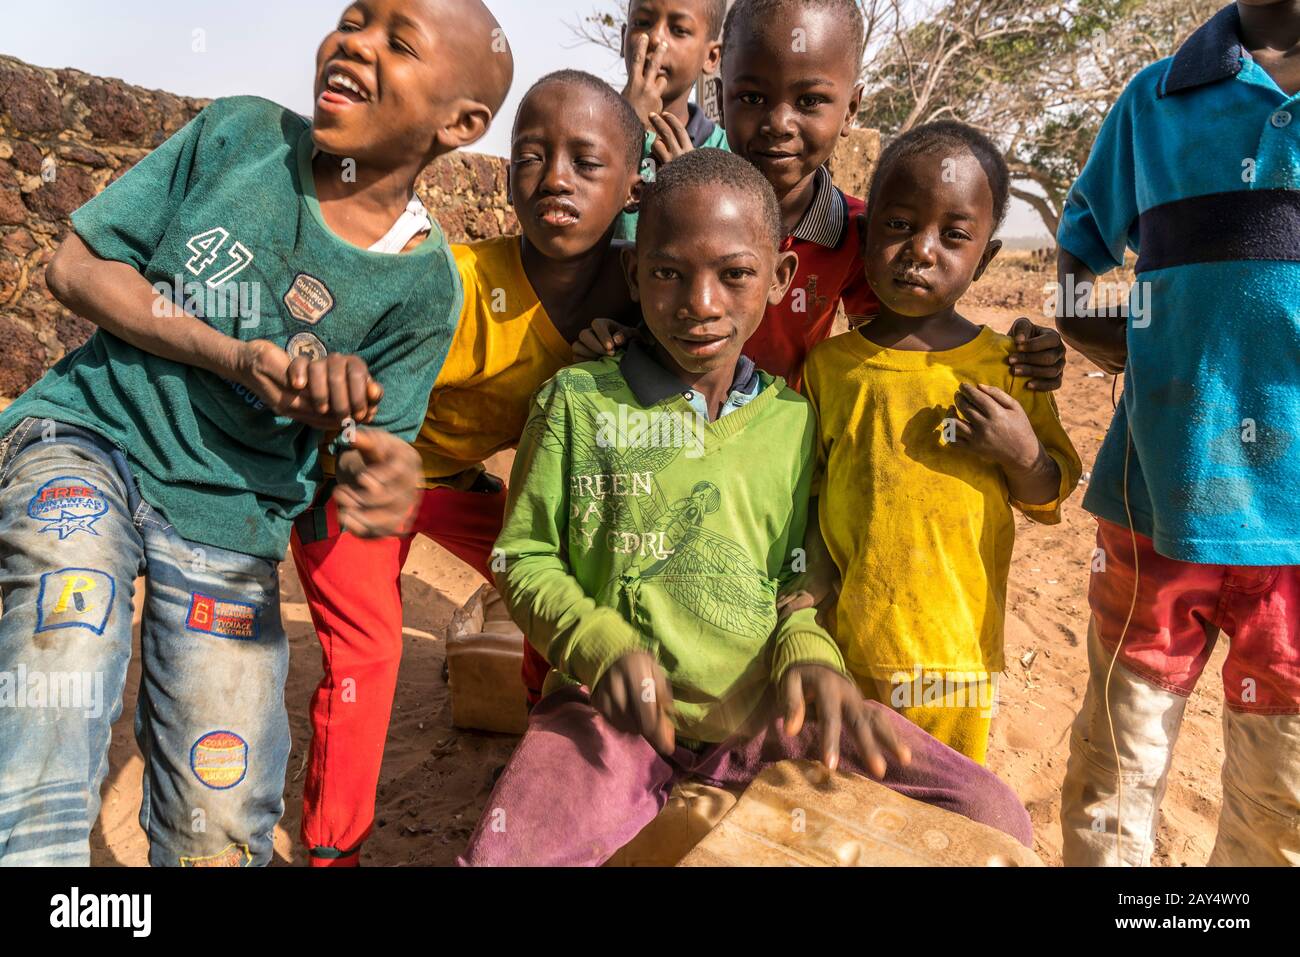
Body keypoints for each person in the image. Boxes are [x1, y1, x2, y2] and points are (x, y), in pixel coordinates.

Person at [0, 0, 512, 867]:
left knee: (221, 806)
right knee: (65, 627)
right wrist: (235, 356)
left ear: (459, 124)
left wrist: (373, 466)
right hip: (90, 434)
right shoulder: (240, 135)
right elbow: (76, 265)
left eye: (398, 40)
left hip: (231, 518)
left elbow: (373, 458)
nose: (354, 40)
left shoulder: (427, 291)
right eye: (354, 17)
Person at [459, 149, 1033, 866]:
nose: (702, 303)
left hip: (765, 715)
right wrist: (601, 644)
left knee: (990, 814)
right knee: (506, 857)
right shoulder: (578, 403)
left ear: (779, 279)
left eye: (735, 275)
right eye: (669, 273)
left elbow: (803, 572)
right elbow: (523, 557)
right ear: (634, 275)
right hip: (609, 715)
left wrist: (810, 655)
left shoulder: (791, 420)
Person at [289, 70, 645, 866]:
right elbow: (348, 389)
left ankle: (538, 721)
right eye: (530, 155)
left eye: (586, 163)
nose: (554, 177)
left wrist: (629, 354)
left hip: (451, 487)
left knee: (565, 588)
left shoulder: (642, 290)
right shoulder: (453, 282)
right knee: (367, 658)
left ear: (632, 185)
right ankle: (332, 851)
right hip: (360, 479)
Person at [1055, 0, 1300, 866]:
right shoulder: (1155, 99)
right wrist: (1156, 353)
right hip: (1154, 502)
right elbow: (1077, 266)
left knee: (1282, 807)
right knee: (1113, 776)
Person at [583, 0, 1068, 396]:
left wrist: (1015, 351)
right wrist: (683, 204)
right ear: (719, 100)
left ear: (851, 108)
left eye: (810, 101)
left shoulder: (863, 234)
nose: (778, 123)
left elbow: (906, 335)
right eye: (751, 98)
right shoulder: (666, 195)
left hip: (786, 455)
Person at [802, 121, 1082, 765]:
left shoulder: (1008, 365)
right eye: (899, 225)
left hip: (955, 657)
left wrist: (1021, 454)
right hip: (848, 645)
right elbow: (810, 500)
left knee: (946, 813)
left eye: (954, 236)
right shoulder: (831, 368)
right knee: (849, 807)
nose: (922, 250)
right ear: (867, 235)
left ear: (984, 258)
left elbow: (1048, 494)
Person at [615, 0, 730, 241]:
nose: (655, 38)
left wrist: (689, 193)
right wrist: (625, 126)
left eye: (679, 30)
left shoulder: (728, 153)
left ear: (711, 57)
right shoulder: (591, 132)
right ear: (624, 38)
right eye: (643, 23)